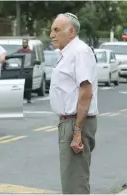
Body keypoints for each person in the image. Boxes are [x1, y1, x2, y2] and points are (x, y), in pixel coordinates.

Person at [49, 13, 98, 194]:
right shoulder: (68, 53)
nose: (51, 34)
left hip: (76, 122)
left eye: (56, 30)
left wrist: (77, 131)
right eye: (51, 30)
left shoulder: (79, 52)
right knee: (70, 181)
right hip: (69, 122)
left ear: (71, 32)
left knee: (75, 185)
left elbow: (86, 92)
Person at [17, 39, 32, 103]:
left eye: (25, 42)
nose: (24, 44)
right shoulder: (19, 51)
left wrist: (31, 66)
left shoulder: (31, 52)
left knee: (28, 84)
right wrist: (20, 65)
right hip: (21, 69)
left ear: (27, 43)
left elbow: (33, 60)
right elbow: (17, 59)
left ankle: (28, 98)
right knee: (21, 84)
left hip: (29, 69)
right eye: (23, 42)